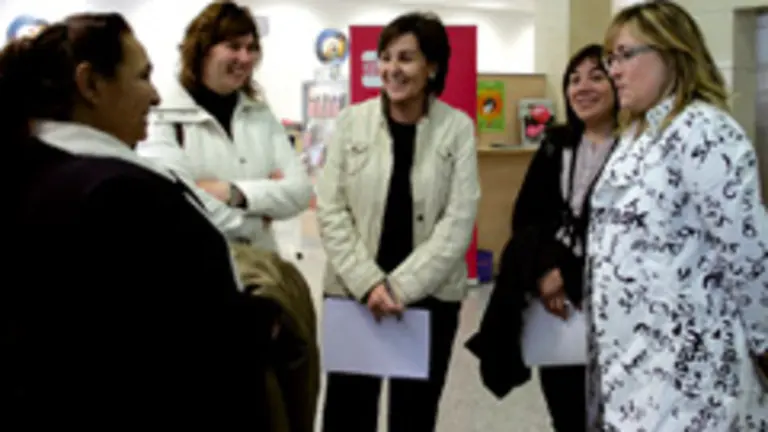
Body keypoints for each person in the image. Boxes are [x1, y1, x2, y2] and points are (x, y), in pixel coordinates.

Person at [2, 13, 274, 429]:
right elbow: (192, 349)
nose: (155, 97)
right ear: (90, 83)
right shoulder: (122, 196)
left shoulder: (29, 171)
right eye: (142, 76)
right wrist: (263, 318)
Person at [589, 2, 768, 429]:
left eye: (625, 55)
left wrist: (764, 343)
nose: (613, 70)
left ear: (673, 52)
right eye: (609, 58)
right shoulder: (636, 135)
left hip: (691, 377)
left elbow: (748, 254)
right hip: (632, 370)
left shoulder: (705, 131)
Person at [316, 12, 480, 432]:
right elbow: (331, 209)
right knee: (347, 415)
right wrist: (369, 282)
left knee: (414, 417)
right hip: (355, 295)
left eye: (406, 58)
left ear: (433, 67)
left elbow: (459, 219)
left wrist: (400, 286)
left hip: (428, 298)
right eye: (385, 57)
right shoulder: (353, 121)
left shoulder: (456, 128)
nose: (392, 69)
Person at [466, 44, 618, 432]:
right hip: (559, 301)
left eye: (596, 77)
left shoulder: (637, 148)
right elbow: (527, 216)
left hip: (616, 303)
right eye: (573, 79)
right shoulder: (557, 144)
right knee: (566, 411)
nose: (582, 87)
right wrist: (546, 267)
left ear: (618, 83)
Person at [137, 0, 312, 252]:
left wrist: (232, 194)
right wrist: (255, 219)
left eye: (251, 48)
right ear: (202, 49)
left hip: (261, 272)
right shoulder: (163, 115)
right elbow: (178, 205)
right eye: (234, 46)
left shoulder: (260, 114)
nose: (245, 57)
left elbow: (300, 192)